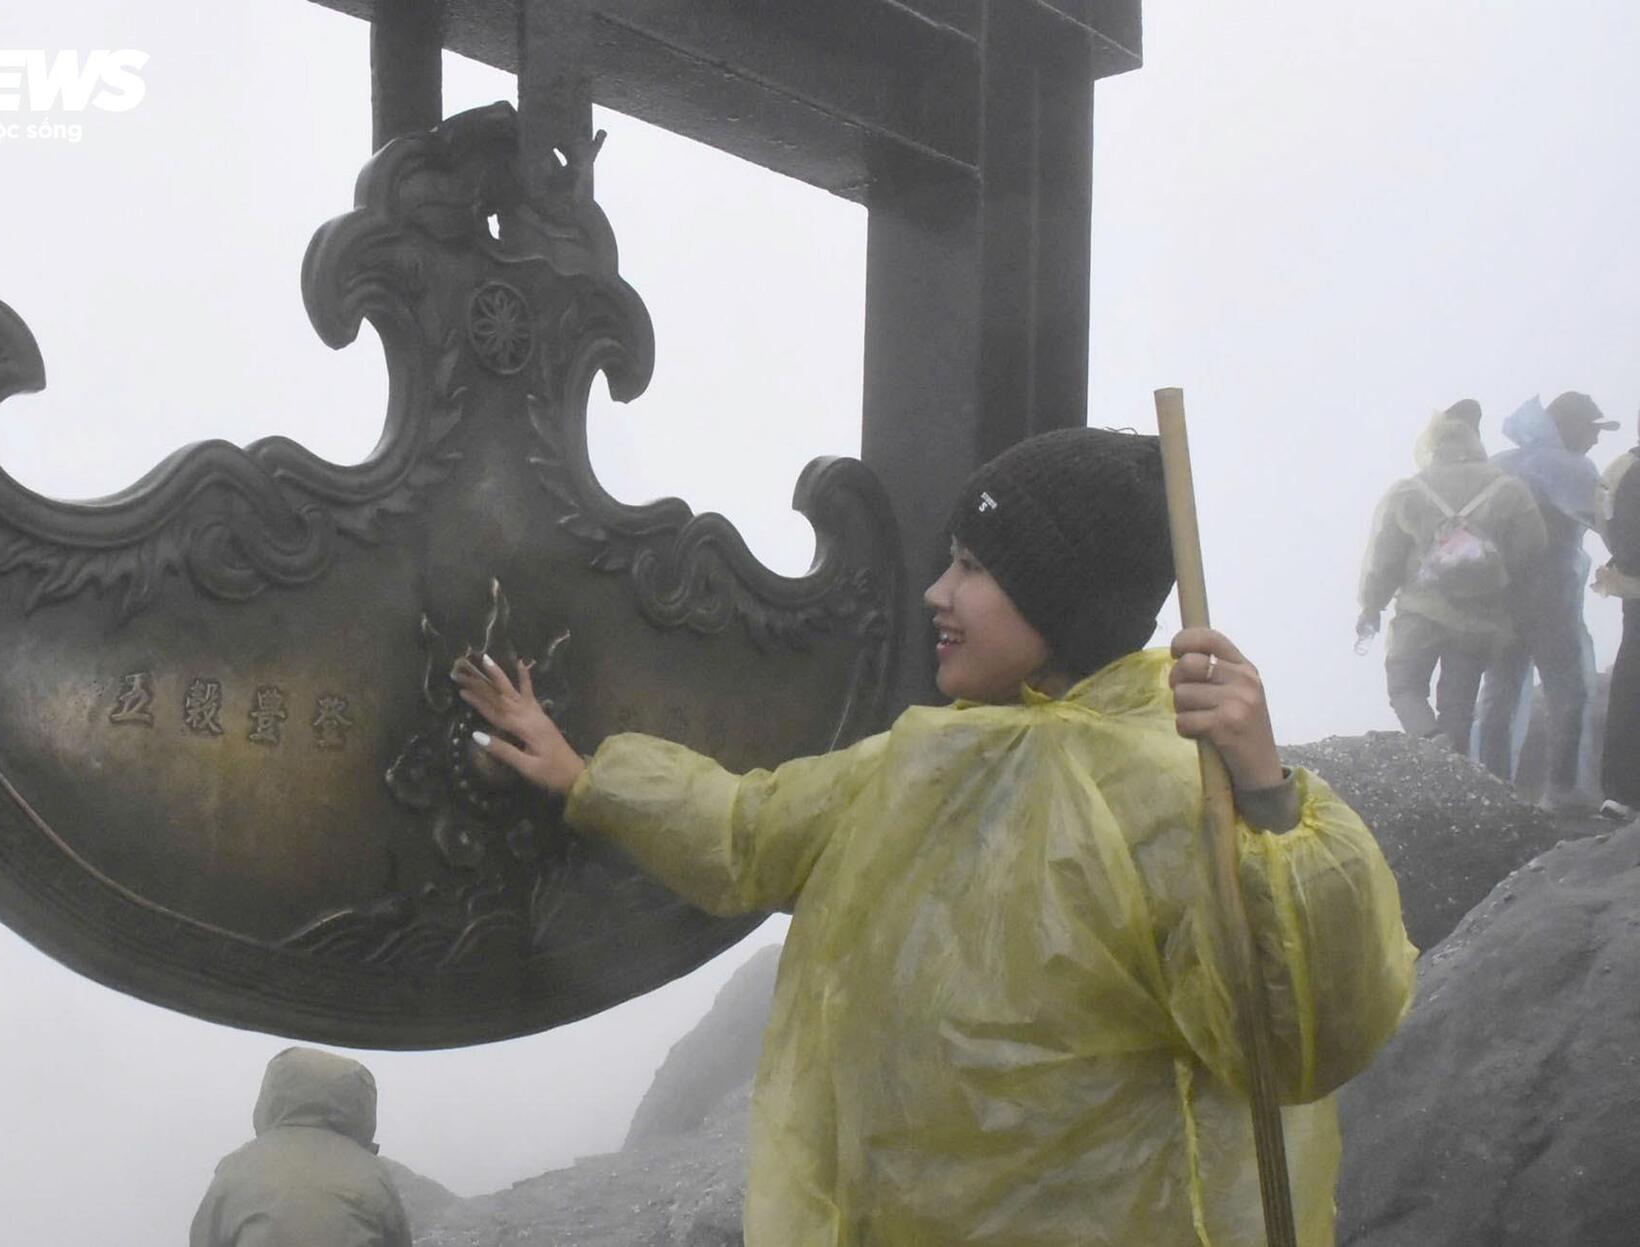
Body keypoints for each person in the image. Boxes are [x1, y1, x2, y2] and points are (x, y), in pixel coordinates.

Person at [455, 427, 1416, 1246]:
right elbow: (750, 831)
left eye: (976, 567)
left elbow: (1295, 1042)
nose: (936, 594)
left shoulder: (1179, 789)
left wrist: (1263, 794)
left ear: (1066, 599)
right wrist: (590, 778)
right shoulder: (925, 762)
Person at [1357, 401, 1547, 753]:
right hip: (1480, 616)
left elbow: (1384, 561)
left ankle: (1430, 743)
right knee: (1458, 707)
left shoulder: (1410, 491)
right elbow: (1532, 552)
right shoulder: (1510, 489)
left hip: (1420, 611)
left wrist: (1371, 607)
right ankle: (1457, 774)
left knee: (1405, 686)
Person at [1475, 392, 1616, 807]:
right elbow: (1605, 520)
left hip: (1498, 599)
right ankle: (1562, 788)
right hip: (1550, 600)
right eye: (1590, 429)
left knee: (1499, 693)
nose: (1593, 440)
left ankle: (1490, 789)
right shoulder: (1568, 466)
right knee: (1568, 689)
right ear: (1567, 426)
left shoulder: (1498, 464)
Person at [190, 1047, 413, 1247]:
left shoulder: (236, 1167)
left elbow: (205, 1238)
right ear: (361, 1104)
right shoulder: (372, 1174)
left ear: (272, 1096)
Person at [1596, 428, 1640, 821]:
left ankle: (1620, 793)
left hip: (1633, 589)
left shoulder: (1621, 469)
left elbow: (1605, 523)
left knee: (1630, 685)